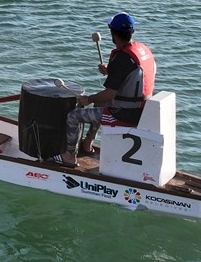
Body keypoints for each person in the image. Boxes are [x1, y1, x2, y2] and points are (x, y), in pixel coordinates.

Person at [60, 12, 156, 167]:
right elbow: (134, 77)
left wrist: (88, 99)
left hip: (124, 113)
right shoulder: (142, 51)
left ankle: (69, 157)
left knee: (73, 116)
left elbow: (110, 93)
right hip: (142, 108)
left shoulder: (122, 59)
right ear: (132, 32)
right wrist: (111, 71)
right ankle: (87, 143)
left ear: (112, 32)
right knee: (100, 104)